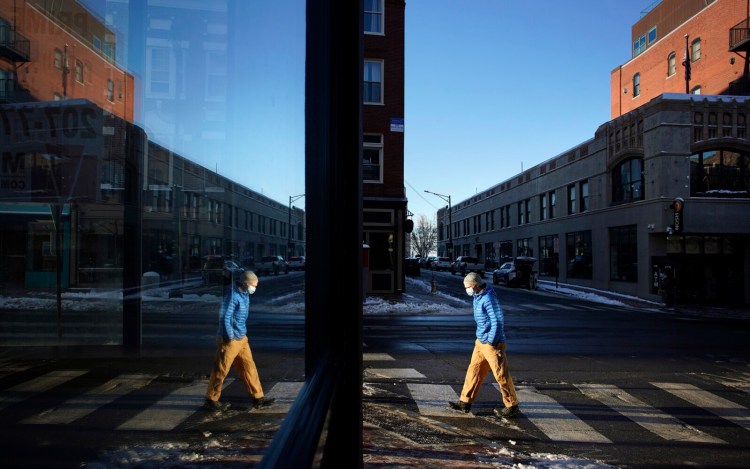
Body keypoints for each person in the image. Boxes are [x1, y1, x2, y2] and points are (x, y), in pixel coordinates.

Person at [448, 272, 520, 418]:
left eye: (467, 286)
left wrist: (491, 341)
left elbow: (498, 321)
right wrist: (482, 339)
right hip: (480, 341)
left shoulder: (488, 298)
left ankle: (512, 405)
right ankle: (464, 402)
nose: (466, 289)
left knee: (501, 375)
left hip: (492, 344)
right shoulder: (477, 296)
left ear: (475, 285)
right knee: (473, 371)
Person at [204, 270, 275, 411]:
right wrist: (230, 337)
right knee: (221, 369)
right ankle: (211, 399)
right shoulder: (232, 295)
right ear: (244, 283)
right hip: (230, 339)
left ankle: (258, 397)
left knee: (249, 367)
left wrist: (240, 335)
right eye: (253, 285)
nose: (254, 288)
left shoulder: (244, 294)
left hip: (242, 337)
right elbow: (225, 317)